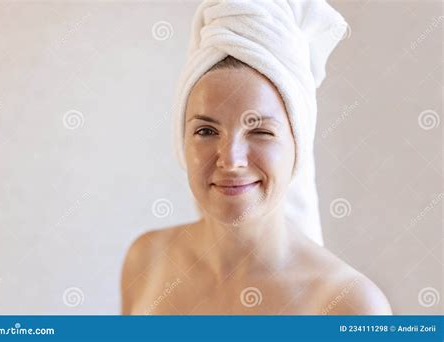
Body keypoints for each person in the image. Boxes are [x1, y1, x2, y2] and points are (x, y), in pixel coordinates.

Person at [120, 56, 392, 315]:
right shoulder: (147, 259)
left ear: (298, 147)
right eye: (206, 131)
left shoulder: (350, 306)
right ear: (182, 143)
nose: (230, 160)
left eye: (260, 132)